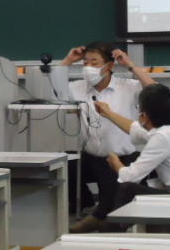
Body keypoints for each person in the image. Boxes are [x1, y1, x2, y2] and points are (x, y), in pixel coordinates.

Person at [70, 83, 170, 232]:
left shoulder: (161, 138)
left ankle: (109, 229)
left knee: (127, 187)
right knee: (133, 170)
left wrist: (116, 162)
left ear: (144, 116)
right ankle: (103, 217)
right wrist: (108, 113)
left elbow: (129, 177)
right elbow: (135, 129)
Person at [50, 42, 156, 221]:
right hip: (90, 157)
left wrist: (130, 65)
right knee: (62, 166)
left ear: (109, 66)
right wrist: (68, 60)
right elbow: (51, 92)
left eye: (94, 62)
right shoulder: (77, 87)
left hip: (120, 159)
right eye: (85, 63)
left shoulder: (127, 86)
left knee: (110, 211)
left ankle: (100, 214)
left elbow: (156, 90)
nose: (88, 68)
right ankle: (86, 204)